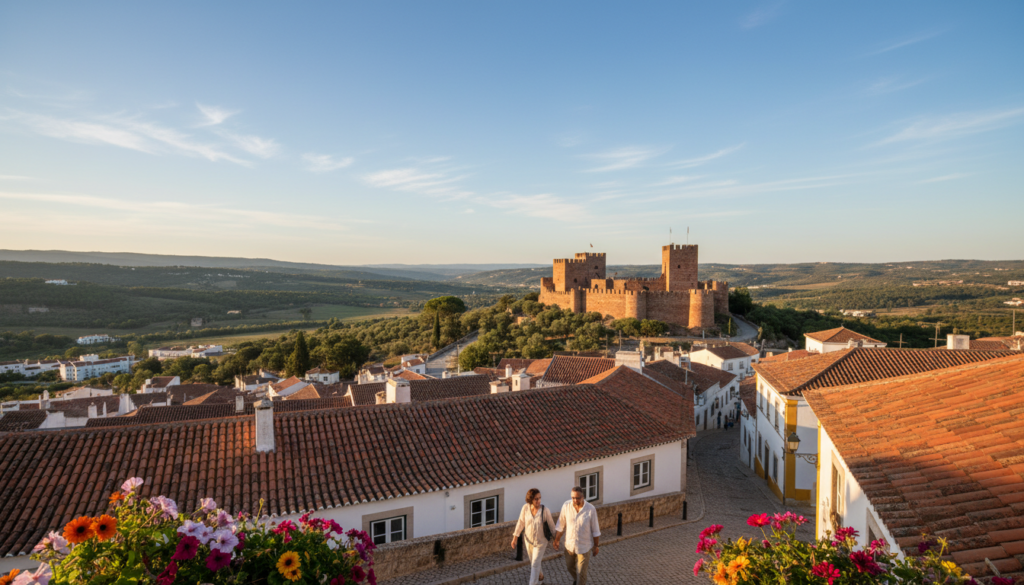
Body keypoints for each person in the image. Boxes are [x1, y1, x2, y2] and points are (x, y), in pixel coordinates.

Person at [552, 486, 600, 585]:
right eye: (573, 497)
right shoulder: (566, 506)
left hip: (584, 547)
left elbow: (595, 530)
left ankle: (580, 581)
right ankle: (578, 580)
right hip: (569, 545)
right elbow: (560, 525)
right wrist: (556, 540)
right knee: (570, 567)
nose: (575, 500)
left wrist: (596, 546)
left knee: (581, 573)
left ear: (583, 497)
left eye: (577, 498)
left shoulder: (591, 509)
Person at [511, 488, 558, 585]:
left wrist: (556, 540)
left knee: (535, 564)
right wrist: (515, 538)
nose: (539, 501)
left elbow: (552, 527)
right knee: (534, 562)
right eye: (536, 499)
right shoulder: (525, 508)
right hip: (528, 541)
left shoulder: (545, 511)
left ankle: (533, 583)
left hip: (541, 542)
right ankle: (540, 576)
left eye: (540, 498)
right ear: (530, 499)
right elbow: (521, 522)